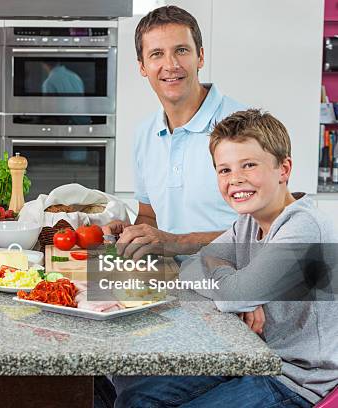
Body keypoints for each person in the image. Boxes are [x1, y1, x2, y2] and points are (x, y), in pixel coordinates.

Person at [113, 109, 338, 407]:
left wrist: (238, 290)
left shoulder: (303, 227)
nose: (236, 180)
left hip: (298, 381)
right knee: (135, 394)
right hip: (255, 357)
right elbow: (191, 269)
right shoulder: (248, 221)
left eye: (249, 165)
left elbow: (235, 293)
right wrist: (234, 286)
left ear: (283, 169)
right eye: (225, 170)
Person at [101, 5, 246, 260]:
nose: (171, 65)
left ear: (200, 57)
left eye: (181, 50)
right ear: (142, 66)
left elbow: (269, 233)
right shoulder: (145, 133)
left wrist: (177, 242)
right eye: (157, 54)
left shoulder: (244, 127)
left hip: (236, 288)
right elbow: (151, 216)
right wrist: (133, 234)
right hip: (173, 283)